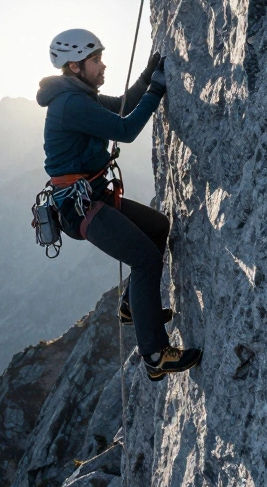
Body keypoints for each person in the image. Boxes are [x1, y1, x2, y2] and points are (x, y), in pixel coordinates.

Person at [37, 28, 202, 381]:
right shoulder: (71, 104)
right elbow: (125, 130)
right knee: (145, 260)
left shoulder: (81, 97)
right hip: (81, 208)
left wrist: (146, 77)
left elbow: (124, 105)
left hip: (91, 198)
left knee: (157, 227)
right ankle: (155, 355)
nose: (103, 65)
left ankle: (131, 306)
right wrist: (156, 89)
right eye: (95, 60)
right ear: (75, 66)